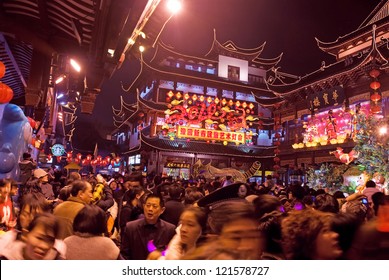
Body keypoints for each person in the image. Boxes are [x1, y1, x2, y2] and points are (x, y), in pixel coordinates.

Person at [120, 193, 176, 260]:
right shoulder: (130, 227)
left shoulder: (170, 229)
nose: (150, 209)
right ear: (144, 206)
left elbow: (171, 255)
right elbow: (124, 255)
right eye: (148, 205)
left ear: (162, 210)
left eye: (154, 206)